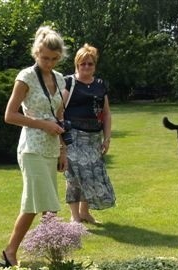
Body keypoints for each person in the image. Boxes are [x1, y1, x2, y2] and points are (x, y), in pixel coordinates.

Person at [0, 26, 68, 267]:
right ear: (36, 53)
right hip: (31, 147)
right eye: (44, 58)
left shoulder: (60, 79)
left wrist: (63, 150)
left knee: (34, 204)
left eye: (53, 59)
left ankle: (10, 252)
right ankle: (55, 258)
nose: (48, 63)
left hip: (50, 148)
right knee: (46, 204)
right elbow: (9, 115)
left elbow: (59, 117)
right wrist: (41, 124)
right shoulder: (26, 76)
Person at [63, 43, 115, 224]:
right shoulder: (69, 82)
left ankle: (84, 213)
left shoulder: (100, 85)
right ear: (77, 65)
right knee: (74, 175)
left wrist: (107, 138)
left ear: (95, 65)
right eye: (82, 63)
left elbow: (106, 113)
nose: (86, 67)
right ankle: (74, 216)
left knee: (91, 175)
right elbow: (59, 110)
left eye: (90, 63)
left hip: (94, 138)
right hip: (73, 137)